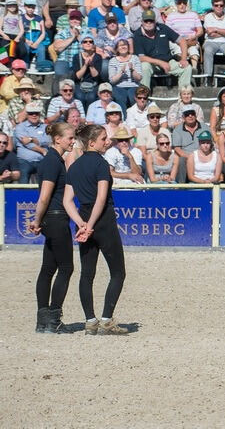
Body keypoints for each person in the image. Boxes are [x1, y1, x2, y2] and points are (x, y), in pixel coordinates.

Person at [63, 123, 129, 335]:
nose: (107, 141)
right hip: (102, 220)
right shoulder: (101, 164)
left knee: (87, 274)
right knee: (118, 272)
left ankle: (90, 321)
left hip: (83, 217)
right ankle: (107, 320)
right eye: (103, 139)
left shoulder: (73, 166)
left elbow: (67, 201)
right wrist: (90, 225)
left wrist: (81, 224)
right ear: (92, 143)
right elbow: (101, 198)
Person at [28, 122, 85, 333]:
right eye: (70, 138)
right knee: (66, 267)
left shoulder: (53, 160)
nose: (72, 141)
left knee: (48, 268)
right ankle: (53, 319)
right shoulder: (52, 161)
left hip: (51, 219)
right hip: (56, 218)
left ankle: (42, 321)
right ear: (57, 139)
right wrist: (36, 220)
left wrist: (39, 220)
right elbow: (44, 197)